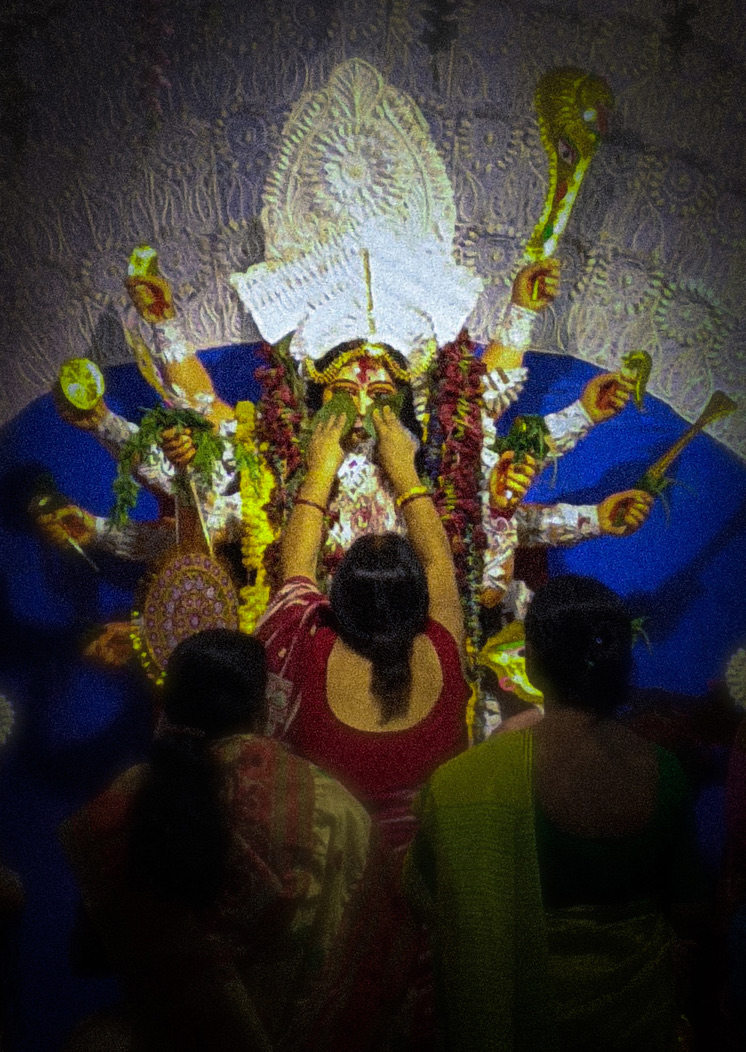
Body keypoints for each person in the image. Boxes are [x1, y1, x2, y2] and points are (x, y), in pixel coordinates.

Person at [60, 629, 419, 1051]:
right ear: (262, 706)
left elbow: (87, 956)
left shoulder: (130, 803)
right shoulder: (327, 802)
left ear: (169, 707)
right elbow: (383, 952)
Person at [404, 574, 703, 1051]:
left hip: (512, 1020)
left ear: (532, 665)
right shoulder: (664, 772)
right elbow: (689, 914)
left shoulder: (470, 782)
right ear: (622, 663)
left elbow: (426, 894)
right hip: (638, 1023)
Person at [255, 406, 470, 855]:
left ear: (335, 600)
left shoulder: (307, 642)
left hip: (332, 879)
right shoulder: (443, 647)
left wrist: (320, 470)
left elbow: (295, 569)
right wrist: (405, 470)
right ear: (419, 603)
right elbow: (439, 562)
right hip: (422, 876)